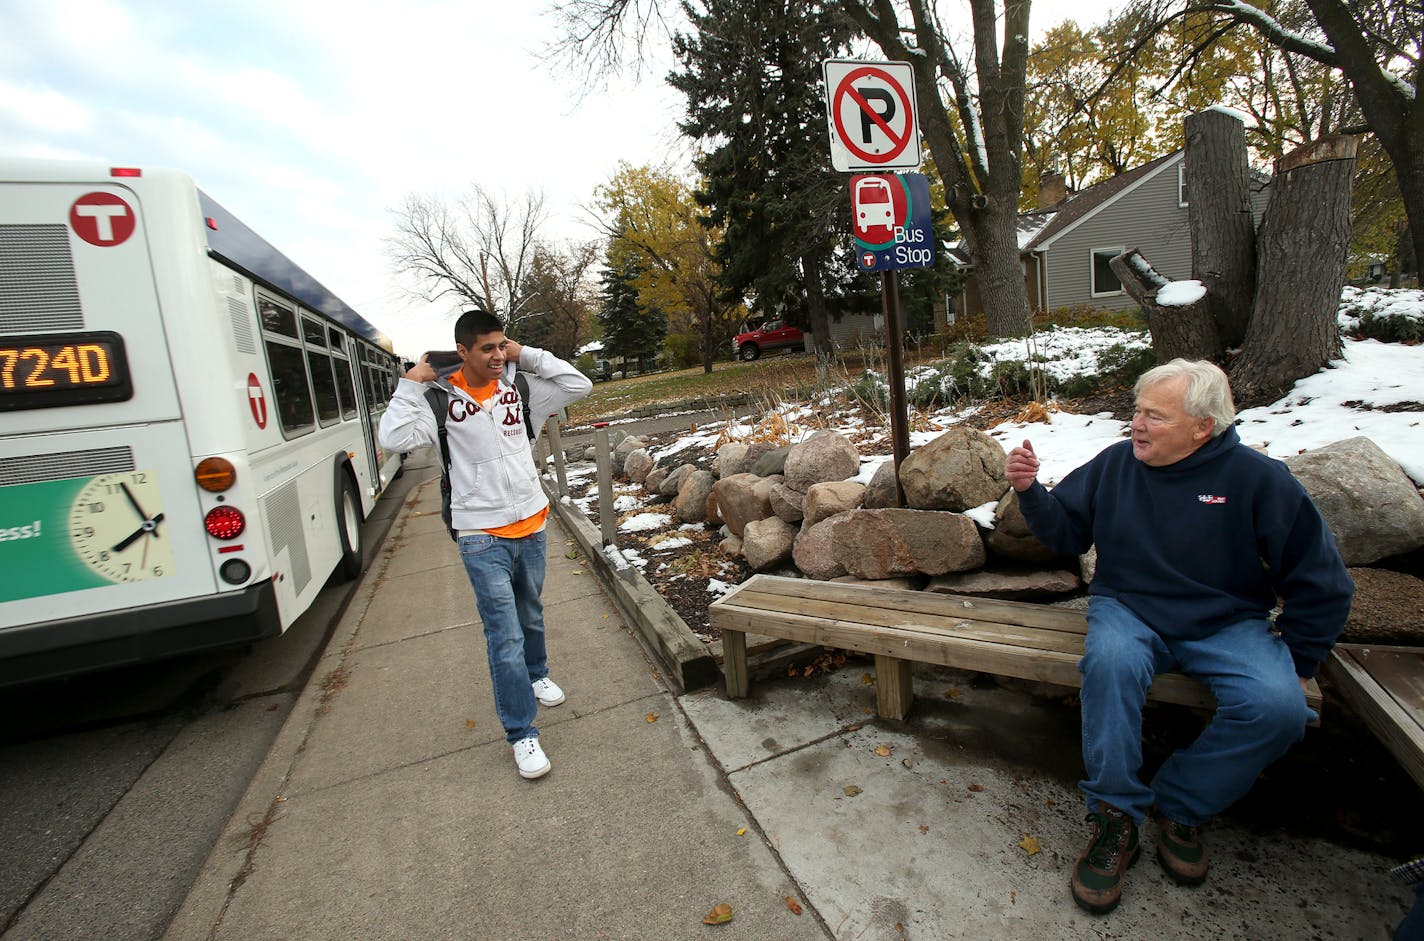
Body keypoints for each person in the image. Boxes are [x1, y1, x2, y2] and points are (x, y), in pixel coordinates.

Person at [1004, 358, 1353, 915]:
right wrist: (1030, 492)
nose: (1137, 425)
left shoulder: (1257, 480)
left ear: (1202, 427)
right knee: (1110, 666)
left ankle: (1181, 804)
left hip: (1227, 624)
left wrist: (1302, 656)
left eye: (1155, 416)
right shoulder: (1116, 464)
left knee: (1280, 707)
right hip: (1129, 609)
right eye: (1137, 411)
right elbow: (1067, 532)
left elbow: (1322, 579)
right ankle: (1115, 815)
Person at [378, 309, 592, 780]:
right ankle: (522, 734)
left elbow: (580, 385)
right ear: (462, 352)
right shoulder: (439, 403)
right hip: (480, 536)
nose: (497, 356)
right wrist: (411, 384)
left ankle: (536, 674)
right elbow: (391, 437)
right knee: (504, 634)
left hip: (531, 524)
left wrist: (528, 354)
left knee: (531, 611)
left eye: (502, 346)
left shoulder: (522, 392)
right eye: (487, 349)